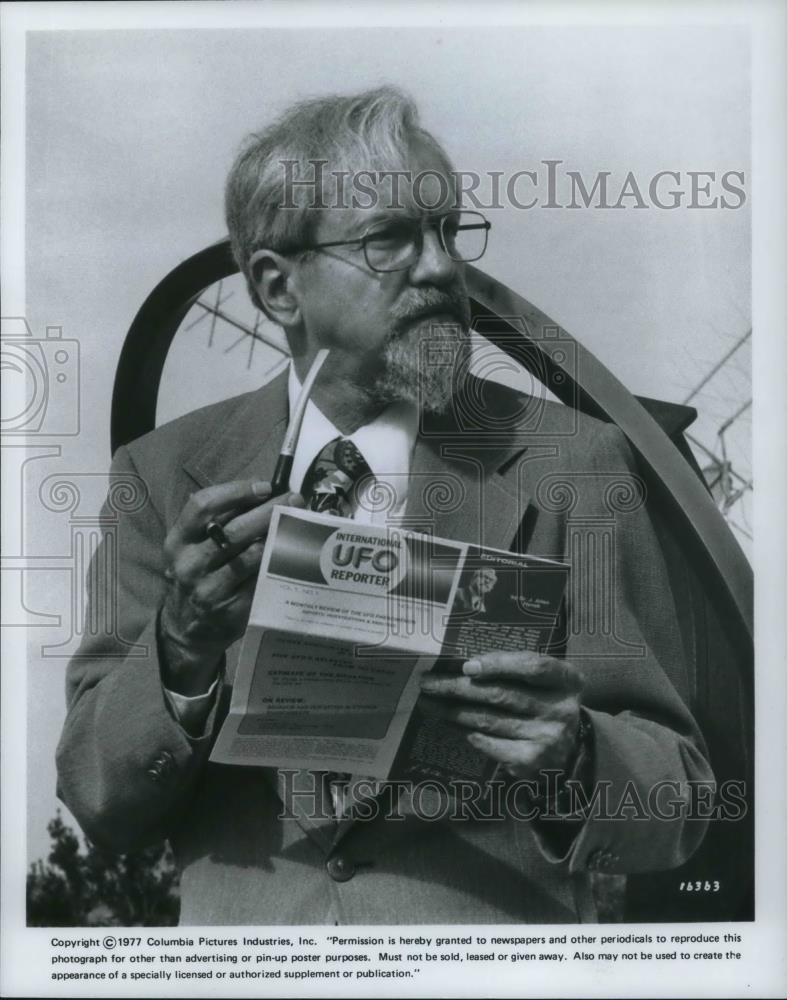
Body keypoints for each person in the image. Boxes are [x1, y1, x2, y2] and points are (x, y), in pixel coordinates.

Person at [56, 87, 714, 925]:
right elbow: (98, 801)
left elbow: (683, 798)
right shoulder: (161, 476)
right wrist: (180, 648)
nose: (441, 268)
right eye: (390, 239)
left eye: (447, 231)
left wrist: (574, 754)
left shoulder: (576, 465)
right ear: (277, 287)